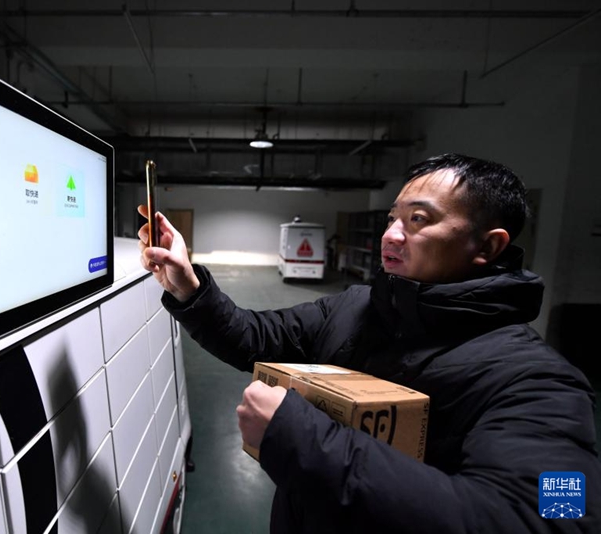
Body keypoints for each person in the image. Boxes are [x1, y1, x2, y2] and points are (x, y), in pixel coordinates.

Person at [137, 153, 601, 533]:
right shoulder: (356, 307)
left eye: (418, 220)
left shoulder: (539, 383)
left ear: (488, 246)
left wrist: (301, 437)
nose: (391, 234)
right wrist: (188, 287)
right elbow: (256, 337)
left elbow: (556, 518)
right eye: (393, 218)